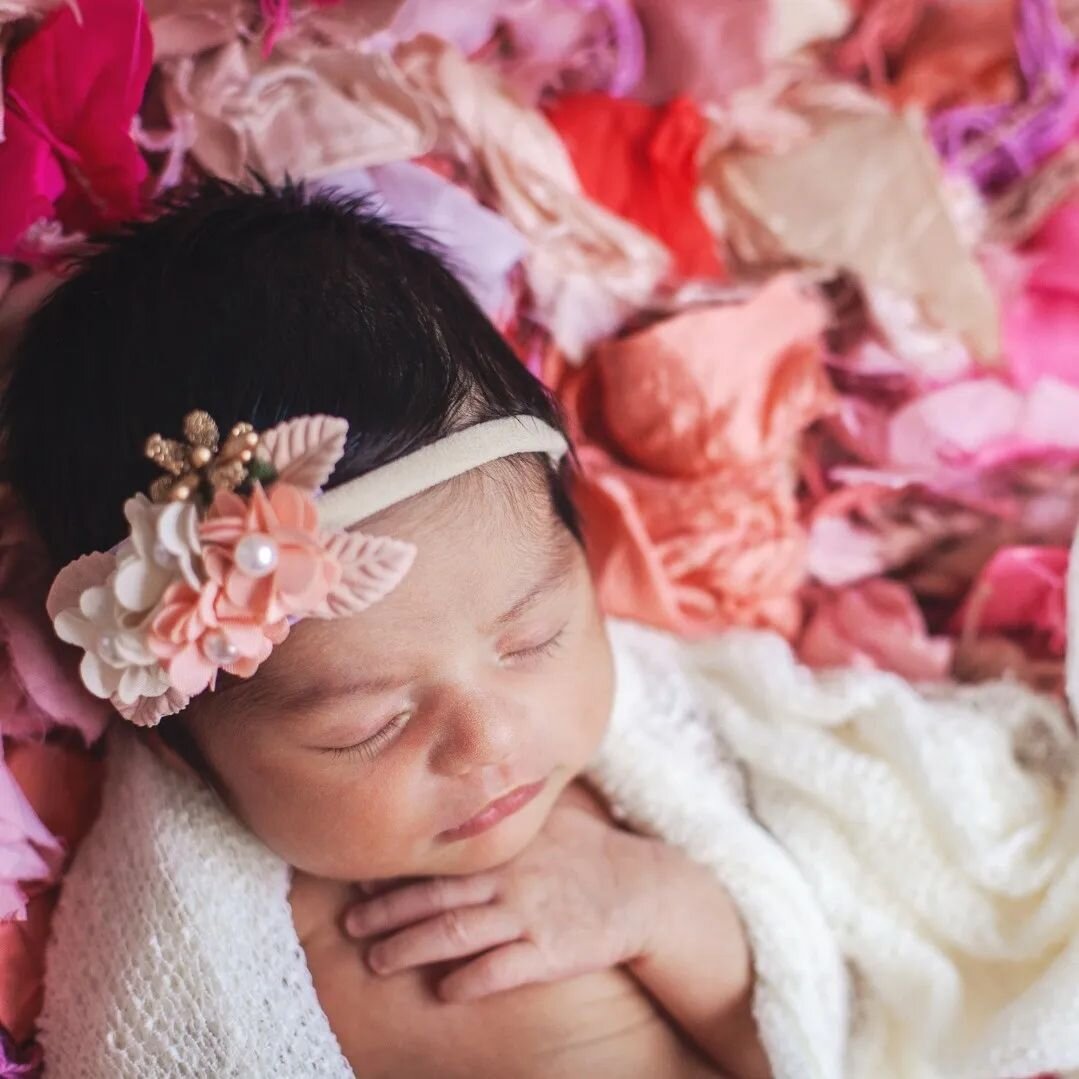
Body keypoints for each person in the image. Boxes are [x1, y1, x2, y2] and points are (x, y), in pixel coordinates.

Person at [5, 180, 1079, 1079]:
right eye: (367, 724)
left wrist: (659, 909)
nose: (489, 742)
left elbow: (813, 1032)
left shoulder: (621, 797)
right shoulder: (232, 973)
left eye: (532, 637)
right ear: (176, 735)